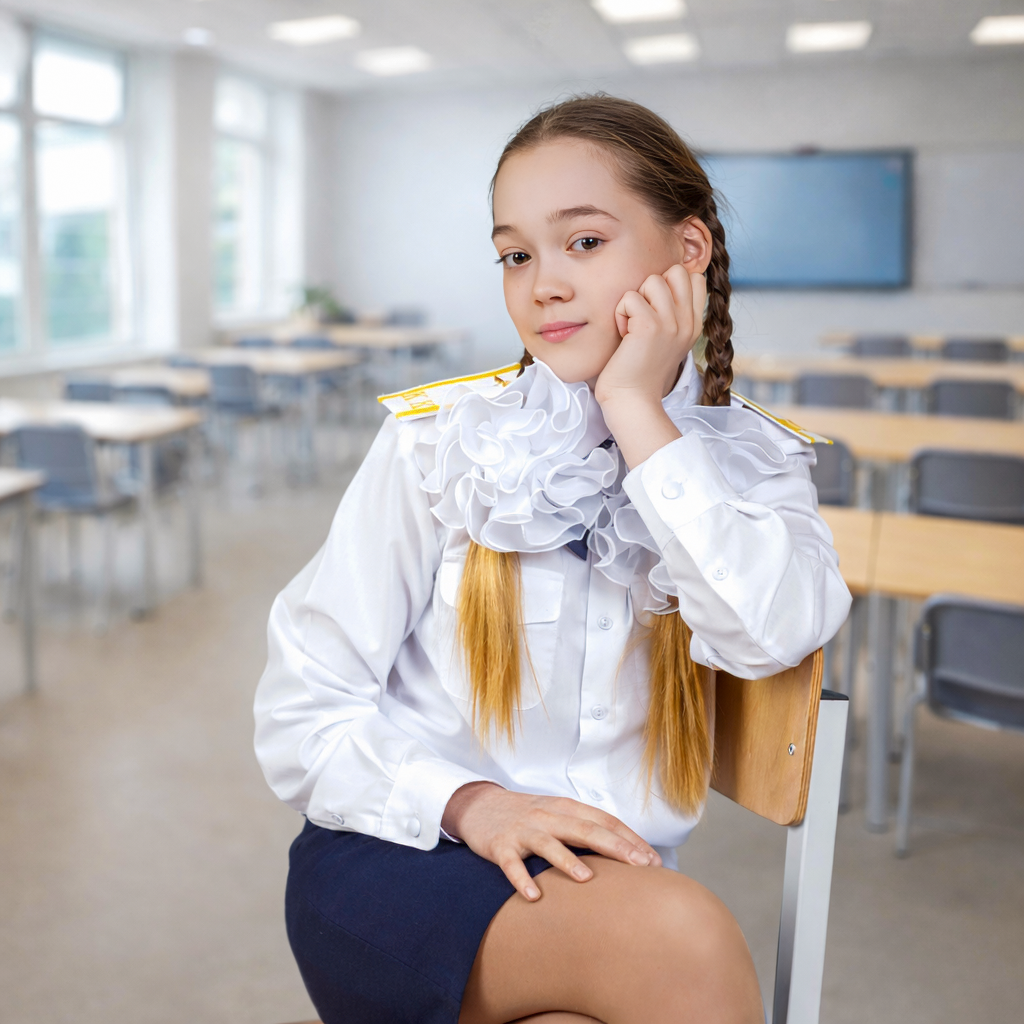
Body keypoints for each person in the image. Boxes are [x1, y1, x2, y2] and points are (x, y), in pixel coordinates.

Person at [254, 95, 852, 1024]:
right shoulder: (438, 444)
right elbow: (303, 710)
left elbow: (770, 635)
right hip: (406, 853)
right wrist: (473, 802)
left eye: (583, 243)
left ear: (688, 254)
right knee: (684, 940)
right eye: (517, 255)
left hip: (596, 894)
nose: (542, 286)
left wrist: (639, 415)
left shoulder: (758, 461)